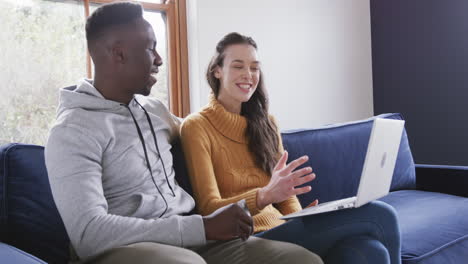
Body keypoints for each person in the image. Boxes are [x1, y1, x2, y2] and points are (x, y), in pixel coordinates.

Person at [44, 3, 323, 264]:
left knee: (301, 259)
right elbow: (89, 235)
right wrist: (201, 226)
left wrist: (252, 116)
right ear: (119, 54)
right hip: (123, 250)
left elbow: (208, 129)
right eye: (151, 48)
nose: (160, 59)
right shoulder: (72, 131)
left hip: (193, 241)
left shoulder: (154, 111)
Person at [180, 32, 402, 264]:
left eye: (255, 68)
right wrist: (264, 196)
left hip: (282, 230)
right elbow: (209, 209)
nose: (248, 75)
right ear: (217, 70)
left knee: (370, 251)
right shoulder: (197, 127)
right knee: (381, 215)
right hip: (246, 239)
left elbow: (286, 196)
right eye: (238, 66)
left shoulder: (267, 124)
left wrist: (304, 216)